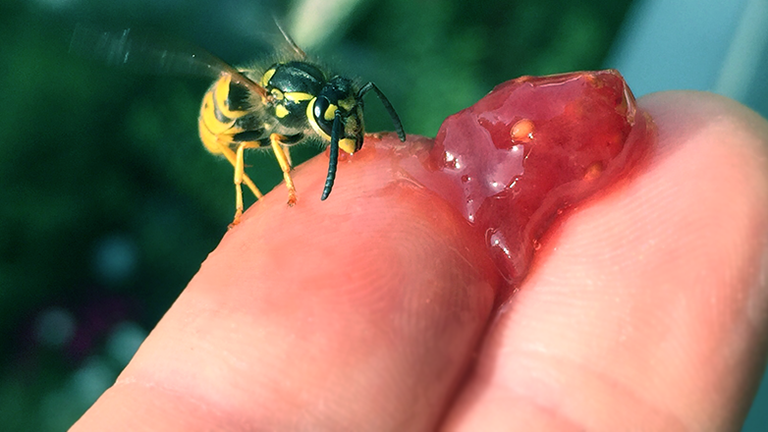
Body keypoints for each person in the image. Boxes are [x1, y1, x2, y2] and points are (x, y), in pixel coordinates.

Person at [71, 91, 768, 430]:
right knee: (248, 145)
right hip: (224, 118)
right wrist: (280, 184)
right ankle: (259, 186)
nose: (343, 129)